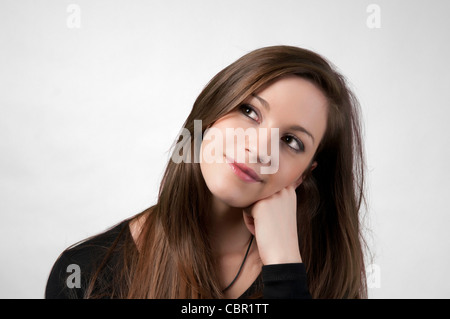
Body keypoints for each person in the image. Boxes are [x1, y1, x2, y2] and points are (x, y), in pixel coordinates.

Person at [45, 45, 369, 299]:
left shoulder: (326, 270)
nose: (258, 149)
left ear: (303, 175)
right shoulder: (84, 273)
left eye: (290, 141)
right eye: (249, 111)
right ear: (210, 112)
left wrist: (284, 265)